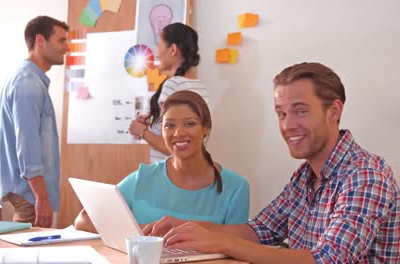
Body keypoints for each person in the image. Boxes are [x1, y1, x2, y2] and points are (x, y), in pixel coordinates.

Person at [148, 62, 400, 263]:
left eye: (300, 111)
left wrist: (219, 242)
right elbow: (259, 230)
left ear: (334, 111)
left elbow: (328, 259)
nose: (288, 125)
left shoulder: (366, 175)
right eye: (281, 113)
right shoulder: (304, 177)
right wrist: (186, 226)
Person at [75, 90, 250, 231]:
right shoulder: (143, 178)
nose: (178, 133)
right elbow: (83, 220)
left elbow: (239, 245)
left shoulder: (236, 188)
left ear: (206, 128)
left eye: (189, 124)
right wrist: (149, 233)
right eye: (169, 125)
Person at [0, 16, 70, 227]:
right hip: (30, 195)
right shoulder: (28, 84)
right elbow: (27, 145)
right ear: (40, 41)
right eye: (61, 40)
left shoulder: (31, 80)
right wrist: (41, 197)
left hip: (31, 193)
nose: (66, 47)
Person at [129, 22, 208, 163]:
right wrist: (152, 120)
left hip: (170, 173)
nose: (157, 54)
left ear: (173, 49)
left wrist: (141, 131)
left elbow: (169, 145)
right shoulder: (198, 86)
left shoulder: (173, 85)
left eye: (159, 45)